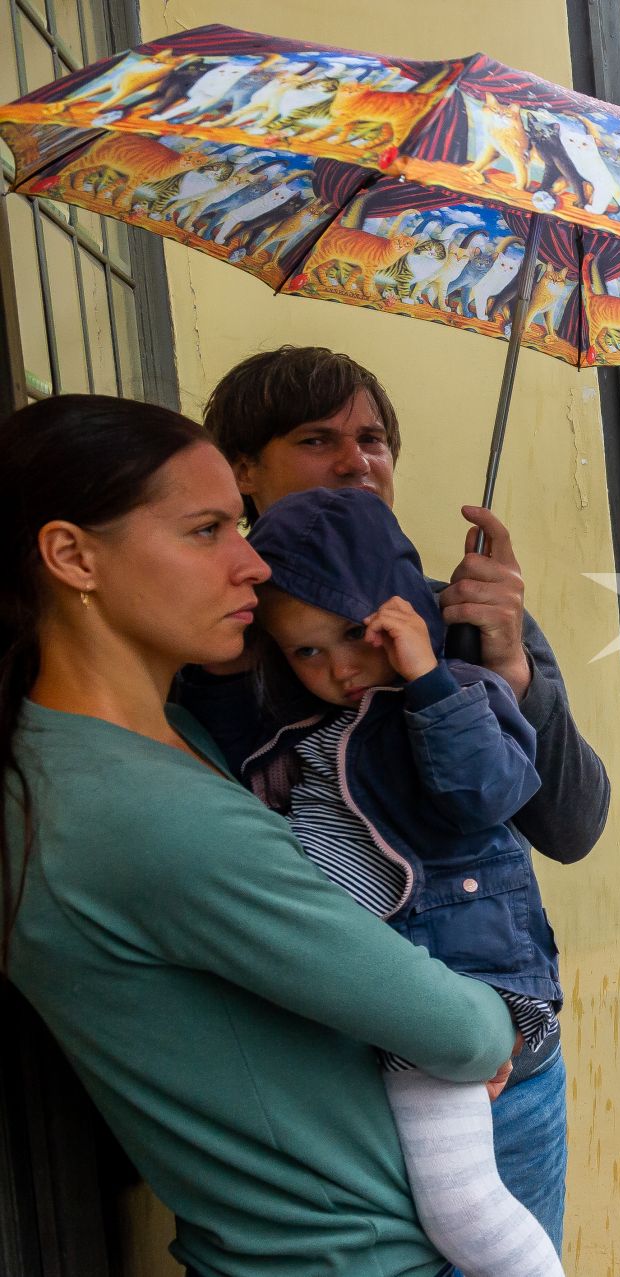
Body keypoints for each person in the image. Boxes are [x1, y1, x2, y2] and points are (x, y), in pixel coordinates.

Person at [1, 394, 517, 1276]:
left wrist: (498, 669)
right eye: (206, 530)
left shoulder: (144, 742)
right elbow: (464, 1030)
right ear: (71, 555)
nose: (250, 561)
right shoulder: (144, 814)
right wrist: (495, 1016)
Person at [181, 346, 609, 1244]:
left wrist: (510, 666)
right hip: (317, 1075)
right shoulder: (211, 646)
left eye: (373, 438)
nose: (356, 461)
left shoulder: (459, 612)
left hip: (492, 1064)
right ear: (243, 472)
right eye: (318, 438)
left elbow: (571, 825)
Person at [232, 487, 563, 1277]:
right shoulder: (311, 733)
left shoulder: (465, 693)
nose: (341, 667)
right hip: (386, 1005)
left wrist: (426, 680)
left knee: (465, 1212)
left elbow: (490, 795)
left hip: (466, 990)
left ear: (406, 610)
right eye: (308, 652)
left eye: (357, 633)